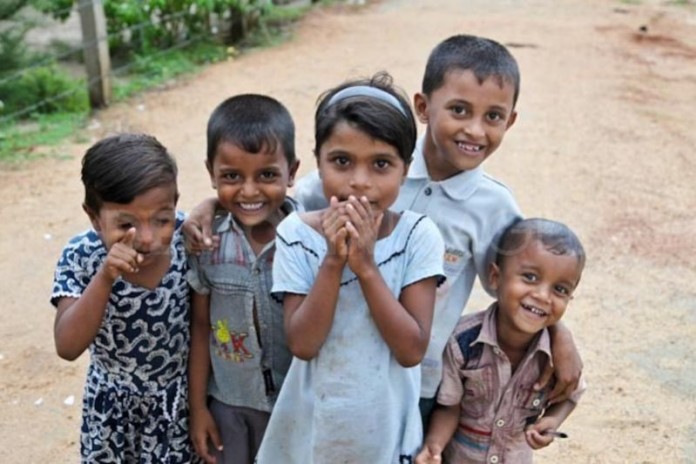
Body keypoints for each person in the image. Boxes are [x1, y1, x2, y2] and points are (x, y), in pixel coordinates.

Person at [291, 34, 583, 428]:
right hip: (335, 363)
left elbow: (526, 281)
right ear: (423, 107)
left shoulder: (494, 209)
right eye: (459, 110)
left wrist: (558, 334)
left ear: (510, 121)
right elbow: (280, 210)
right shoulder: (371, 172)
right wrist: (211, 208)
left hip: (419, 380)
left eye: (493, 117)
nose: (475, 131)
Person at [253, 72, 445, 463]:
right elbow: (303, 344)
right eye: (342, 161)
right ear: (319, 163)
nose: (359, 182)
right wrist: (334, 261)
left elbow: (411, 349)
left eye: (380, 164)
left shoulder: (418, 237)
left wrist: (367, 267)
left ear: (405, 170)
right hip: (311, 433)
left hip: (386, 435)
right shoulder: (296, 235)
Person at [51, 133, 196, 463]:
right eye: (126, 224)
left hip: (176, 408)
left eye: (162, 219)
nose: (147, 238)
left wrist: (207, 208)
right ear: (93, 217)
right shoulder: (82, 257)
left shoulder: (185, 237)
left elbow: (209, 212)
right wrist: (105, 277)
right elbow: (67, 346)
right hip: (110, 413)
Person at [415, 218, 586, 464]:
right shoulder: (462, 342)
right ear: (495, 277)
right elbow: (449, 406)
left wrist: (552, 420)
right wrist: (435, 445)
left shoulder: (557, 355)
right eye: (530, 277)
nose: (542, 296)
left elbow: (572, 394)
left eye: (560, 290)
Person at [187, 94, 300, 464]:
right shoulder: (207, 242)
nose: (249, 191)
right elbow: (201, 326)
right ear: (211, 173)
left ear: (293, 171)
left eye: (267, 175)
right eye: (231, 177)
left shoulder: (307, 239)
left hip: (294, 403)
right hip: (229, 404)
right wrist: (198, 407)